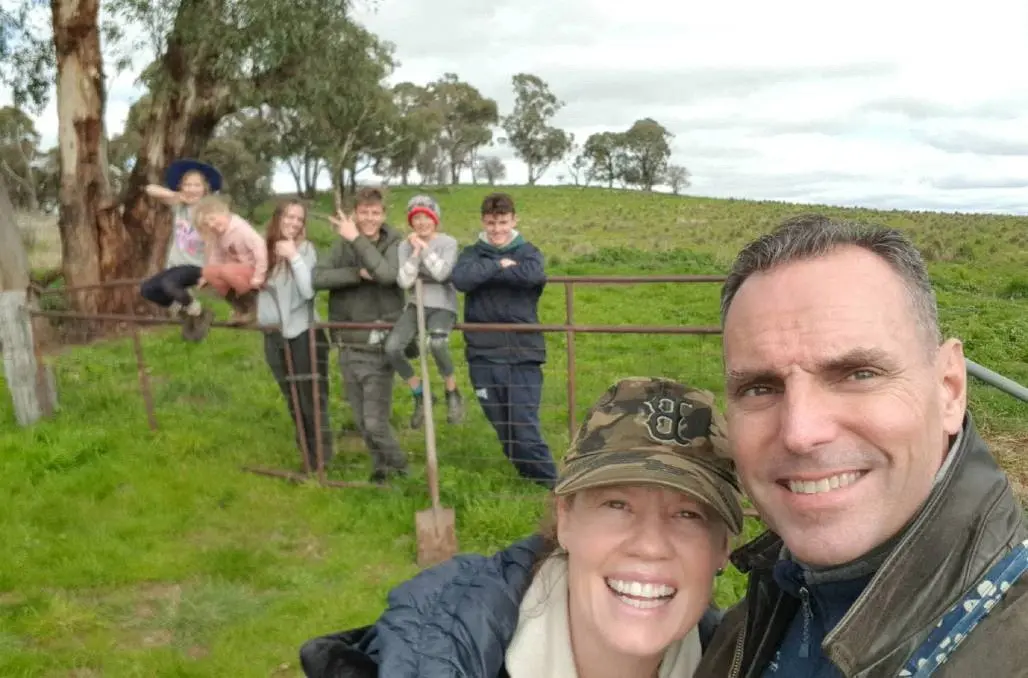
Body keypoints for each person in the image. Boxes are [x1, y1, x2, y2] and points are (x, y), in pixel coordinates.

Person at [695, 214, 1028, 677]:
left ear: (949, 388)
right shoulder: (769, 602)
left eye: (858, 374)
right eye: (760, 387)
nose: (800, 431)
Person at [299, 377, 746, 678]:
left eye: (689, 514)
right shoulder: (428, 652)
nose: (650, 546)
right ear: (565, 518)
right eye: (617, 504)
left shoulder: (755, 661)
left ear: (724, 546)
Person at [451, 192, 558, 488]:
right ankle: (530, 482)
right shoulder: (472, 253)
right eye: (490, 223)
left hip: (522, 353)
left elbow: (532, 275)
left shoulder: (528, 251)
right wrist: (499, 266)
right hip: (483, 355)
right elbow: (461, 279)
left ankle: (558, 487)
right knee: (503, 428)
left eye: (502, 222)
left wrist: (488, 274)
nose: (496, 229)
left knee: (523, 425)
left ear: (514, 220)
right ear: (483, 222)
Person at [311, 186, 408, 483]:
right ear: (355, 213)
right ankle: (381, 469)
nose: (369, 218)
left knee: (375, 421)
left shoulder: (395, 243)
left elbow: (388, 274)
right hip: (347, 343)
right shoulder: (341, 246)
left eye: (375, 212)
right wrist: (355, 274)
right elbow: (317, 277)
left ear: (384, 214)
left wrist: (355, 238)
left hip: (379, 343)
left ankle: (403, 470)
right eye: (363, 212)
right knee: (361, 420)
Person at [257, 199, 333, 473]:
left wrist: (294, 256)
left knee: (311, 398)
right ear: (278, 217)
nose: (294, 222)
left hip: (304, 335)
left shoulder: (306, 250)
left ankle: (321, 458)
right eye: (289, 216)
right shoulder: (264, 250)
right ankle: (307, 453)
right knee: (291, 396)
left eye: (299, 219)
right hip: (274, 336)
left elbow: (309, 290)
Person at [383, 194, 464, 429]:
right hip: (415, 304)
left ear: (434, 219)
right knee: (392, 348)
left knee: (436, 344)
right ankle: (421, 394)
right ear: (411, 222)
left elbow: (442, 274)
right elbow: (405, 281)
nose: (421, 222)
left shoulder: (448, 243)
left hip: (442, 305)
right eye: (416, 218)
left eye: (426, 217)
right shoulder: (404, 246)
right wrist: (415, 252)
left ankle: (452, 392)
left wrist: (424, 248)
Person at [138, 158, 221, 341]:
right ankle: (186, 312)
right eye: (187, 184)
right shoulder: (179, 205)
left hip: (196, 265)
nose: (191, 189)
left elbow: (211, 243)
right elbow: (150, 189)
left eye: (196, 185)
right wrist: (177, 196)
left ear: (205, 188)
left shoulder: (207, 211)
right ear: (181, 186)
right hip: (176, 265)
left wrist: (208, 272)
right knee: (147, 289)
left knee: (169, 284)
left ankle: (199, 313)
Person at [192, 195, 268, 326]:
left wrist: (259, 276)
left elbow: (260, 248)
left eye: (212, 219)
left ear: (224, 212)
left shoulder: (240, 229)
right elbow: (217, 256)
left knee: (227, 270)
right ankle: (239, 308)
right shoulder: (219, 234)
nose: (211, 225)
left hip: (254, 270)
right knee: (209, 272)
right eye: (206, 223)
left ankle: (252, 306)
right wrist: (206, 277)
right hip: (237, 271)